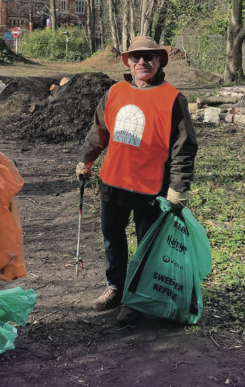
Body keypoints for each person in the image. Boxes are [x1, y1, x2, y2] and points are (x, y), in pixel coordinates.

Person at [76, 36, 198, 325]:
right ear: (128, 62)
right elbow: (99, 130)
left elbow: (185, 147)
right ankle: (116, 287)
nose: (142, 62)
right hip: (114, 181)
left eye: (148, 57)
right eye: (136, 57)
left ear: (158, 61)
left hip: (150, 188)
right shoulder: (115, 92)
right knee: (112, 237)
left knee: (147, 245)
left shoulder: (173, 99)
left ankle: (138, 298)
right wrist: (87, 159)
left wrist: (178, 187)